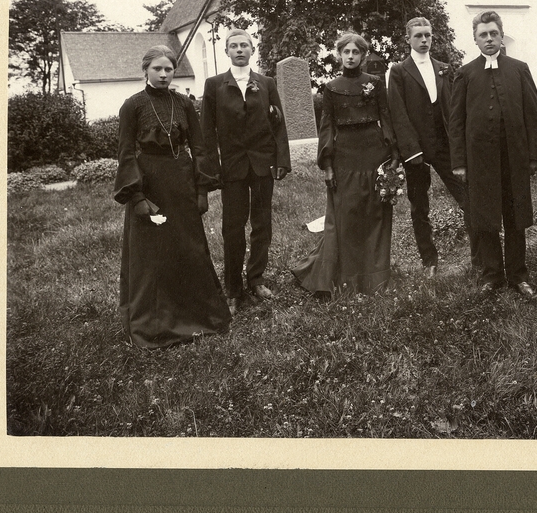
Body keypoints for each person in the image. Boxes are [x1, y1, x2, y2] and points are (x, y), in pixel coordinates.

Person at [113, 45, 230, 346]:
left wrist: (202, 190)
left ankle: (199, 317)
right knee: (153, 254)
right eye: (157, 69)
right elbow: (126, 152)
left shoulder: (184, 103)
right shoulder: (132, 105)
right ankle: (155, 324)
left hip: (181, 180)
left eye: (169, 69)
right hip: (150, 183)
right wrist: (137, 197)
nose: (164, 74)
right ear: (145, 70)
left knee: (189, 248)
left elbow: (199, 147)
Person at [292, 32, 402, 294]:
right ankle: (347, 276)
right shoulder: (331, 88)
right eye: (346, 52)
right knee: (347, 215)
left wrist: (394, 155)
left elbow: (386, 117)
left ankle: (375, 276)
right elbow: (327, 126)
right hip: (345, 156)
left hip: (374, 154)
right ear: (339, 55)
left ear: (363, 56)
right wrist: (328, 165)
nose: (351, 56)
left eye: (356, 52)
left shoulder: (375, 84)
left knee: (375, 214)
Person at [448, 10, 537, 298]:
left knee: (515, 216)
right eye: (483, 35)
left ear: (501, 36)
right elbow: (456, 122)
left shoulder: (519, 69)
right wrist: (459, 162)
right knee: (485, 217)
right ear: (475, 40)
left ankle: (518, 275)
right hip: (480, 161)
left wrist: (533, 156)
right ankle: (491, 276)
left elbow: (531, 115)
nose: (489, 39)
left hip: (514, 158)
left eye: (493, 33)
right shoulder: (465, 74)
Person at [200, 29, 291, 312]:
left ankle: (256, 279)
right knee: (233, 226)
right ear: (227, 51)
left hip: (262, 163)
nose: (239, 50)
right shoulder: (214, 85)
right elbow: (206, 131)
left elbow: (279, 125)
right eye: (234, 46)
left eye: (244, 45)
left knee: (262, 223)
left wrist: (282, 160)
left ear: (252, 50)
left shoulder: (266, 83)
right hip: (232, 166)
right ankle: (233, 288)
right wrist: (212, 169)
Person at [387, 16, 474, 279]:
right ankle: (429, 260)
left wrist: (459, 143)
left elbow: (455, 108)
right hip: (417, 151)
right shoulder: (399, 72)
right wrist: (411, 151)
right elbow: (398, 113)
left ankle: (479, 254)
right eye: (418, 36)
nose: (424, 40)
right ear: (408, 39)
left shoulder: (444, 68)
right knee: (419, 206)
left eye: (428, 35)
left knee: (468, 197)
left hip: (445, 145)